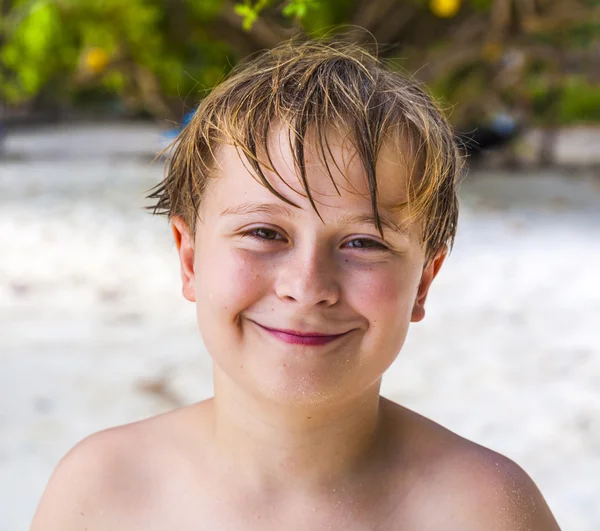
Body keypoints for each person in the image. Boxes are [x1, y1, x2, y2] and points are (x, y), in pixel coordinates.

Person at [30, 40, 561, 530]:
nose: (307, 286)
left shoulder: (487, 511)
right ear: (189, 259)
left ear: (423, 282)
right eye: (264, 233)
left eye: (364, 243)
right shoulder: (98, 494)